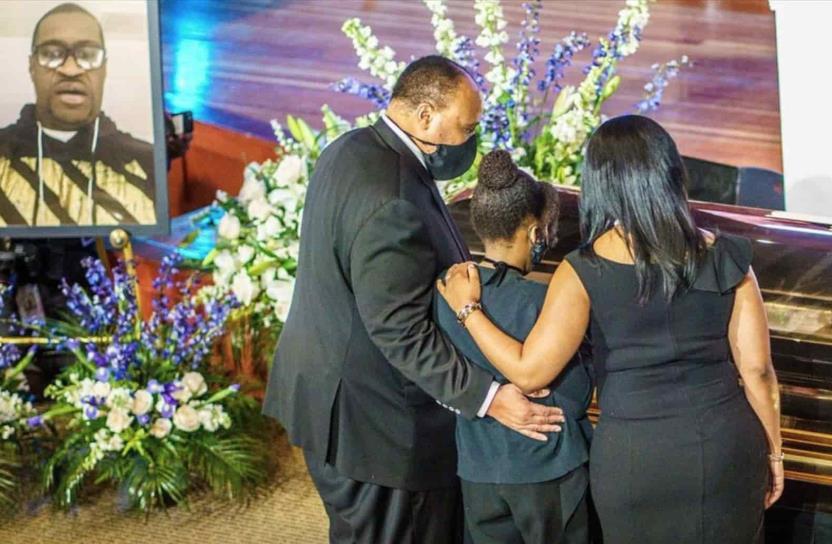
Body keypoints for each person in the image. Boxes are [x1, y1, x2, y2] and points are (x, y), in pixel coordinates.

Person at [439, 115, 784, 543]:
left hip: (633, 459)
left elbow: (530, 372)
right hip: (724, 447)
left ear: (599, 184)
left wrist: (468, 308)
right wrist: (773, 451)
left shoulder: (582, 271)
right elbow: (758, 373)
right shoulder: (730, 257)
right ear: (670, 173)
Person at [262, 56, 565, 544]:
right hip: (377, 428)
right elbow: (400, 331)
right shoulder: (393, 201)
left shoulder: (350, 149)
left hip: (329, 397)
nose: (470, 141)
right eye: (465, 128)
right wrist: (489, 399)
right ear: (425, 116)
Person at [435, 150, 594, 544]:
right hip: (550, 468)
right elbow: (575, 396)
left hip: (478, 468)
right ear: (535, 231)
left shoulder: (446, 292)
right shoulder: (544, 303)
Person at [0, 2, 156, 227]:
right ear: (32, 66)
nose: (70, 70)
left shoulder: (146, 161)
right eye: (51, 54)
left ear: (104, 69)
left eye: (87, 54)